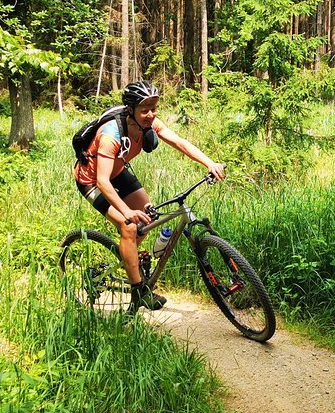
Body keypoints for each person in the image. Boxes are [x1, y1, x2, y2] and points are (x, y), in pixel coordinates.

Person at [73, 80, 225, 313]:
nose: (151, 114)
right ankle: (139, 292)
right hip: (92, 181)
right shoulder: (111, 134)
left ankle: (129, 257)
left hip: (119, 171)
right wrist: (127, 212)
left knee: (149, 217)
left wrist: (209, 162)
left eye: (154, 108)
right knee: (129, 226)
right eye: (145, 110)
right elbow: (102, 182)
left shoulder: (150, 123)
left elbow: (179, 142)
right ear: (131, 109)